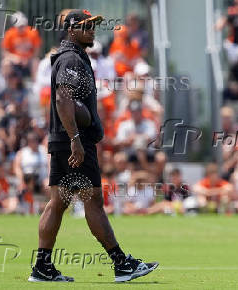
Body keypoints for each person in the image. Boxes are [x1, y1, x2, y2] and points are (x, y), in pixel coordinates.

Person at [28, 9, 157, 283]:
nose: (93, 30)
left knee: (58, 202)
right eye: (87, 26)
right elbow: (63, 99)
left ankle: (42, 267)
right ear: (72, 29)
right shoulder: (72, 58)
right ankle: (121, 263)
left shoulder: (71, 56)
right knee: (94, 202)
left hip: (64, 140)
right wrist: (76, 139)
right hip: (74, 142)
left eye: (94, 26)